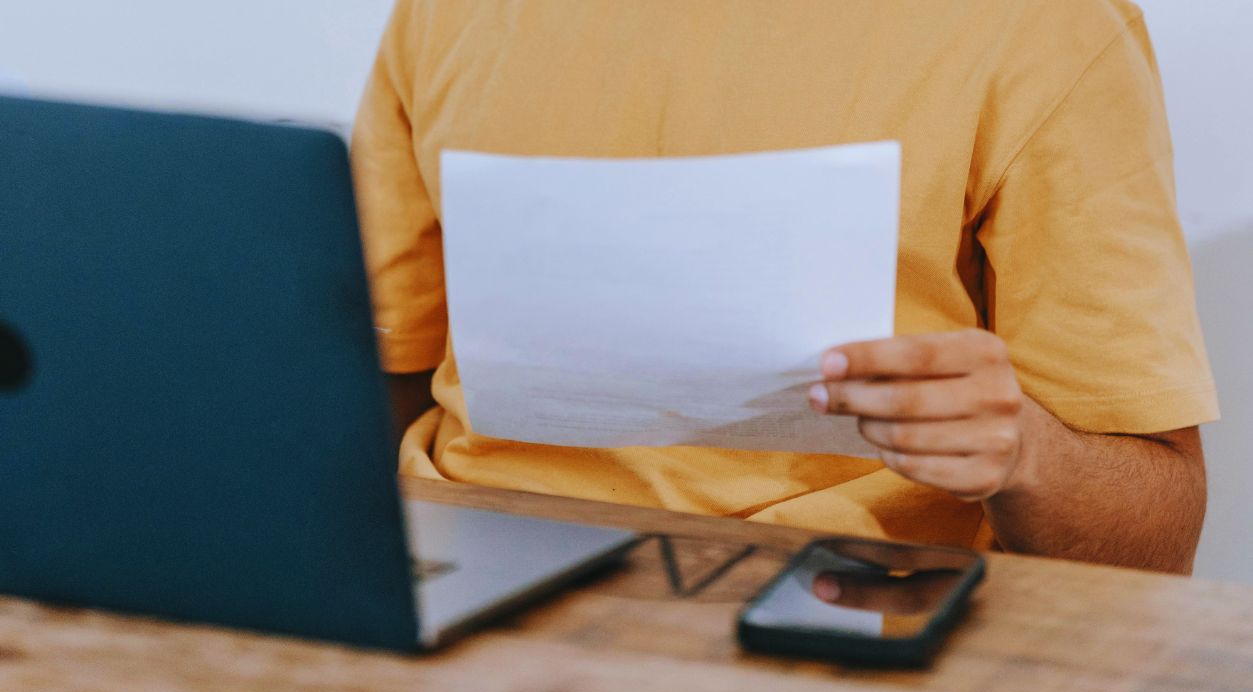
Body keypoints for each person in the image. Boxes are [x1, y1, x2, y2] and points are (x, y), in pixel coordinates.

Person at [351, 0, 1218, 574]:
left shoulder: (1039, 26)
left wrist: (1025, 453)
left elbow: (1159, 534)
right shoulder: (449, 11)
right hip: (462, 571)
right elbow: (364, 379)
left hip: (831, 601)